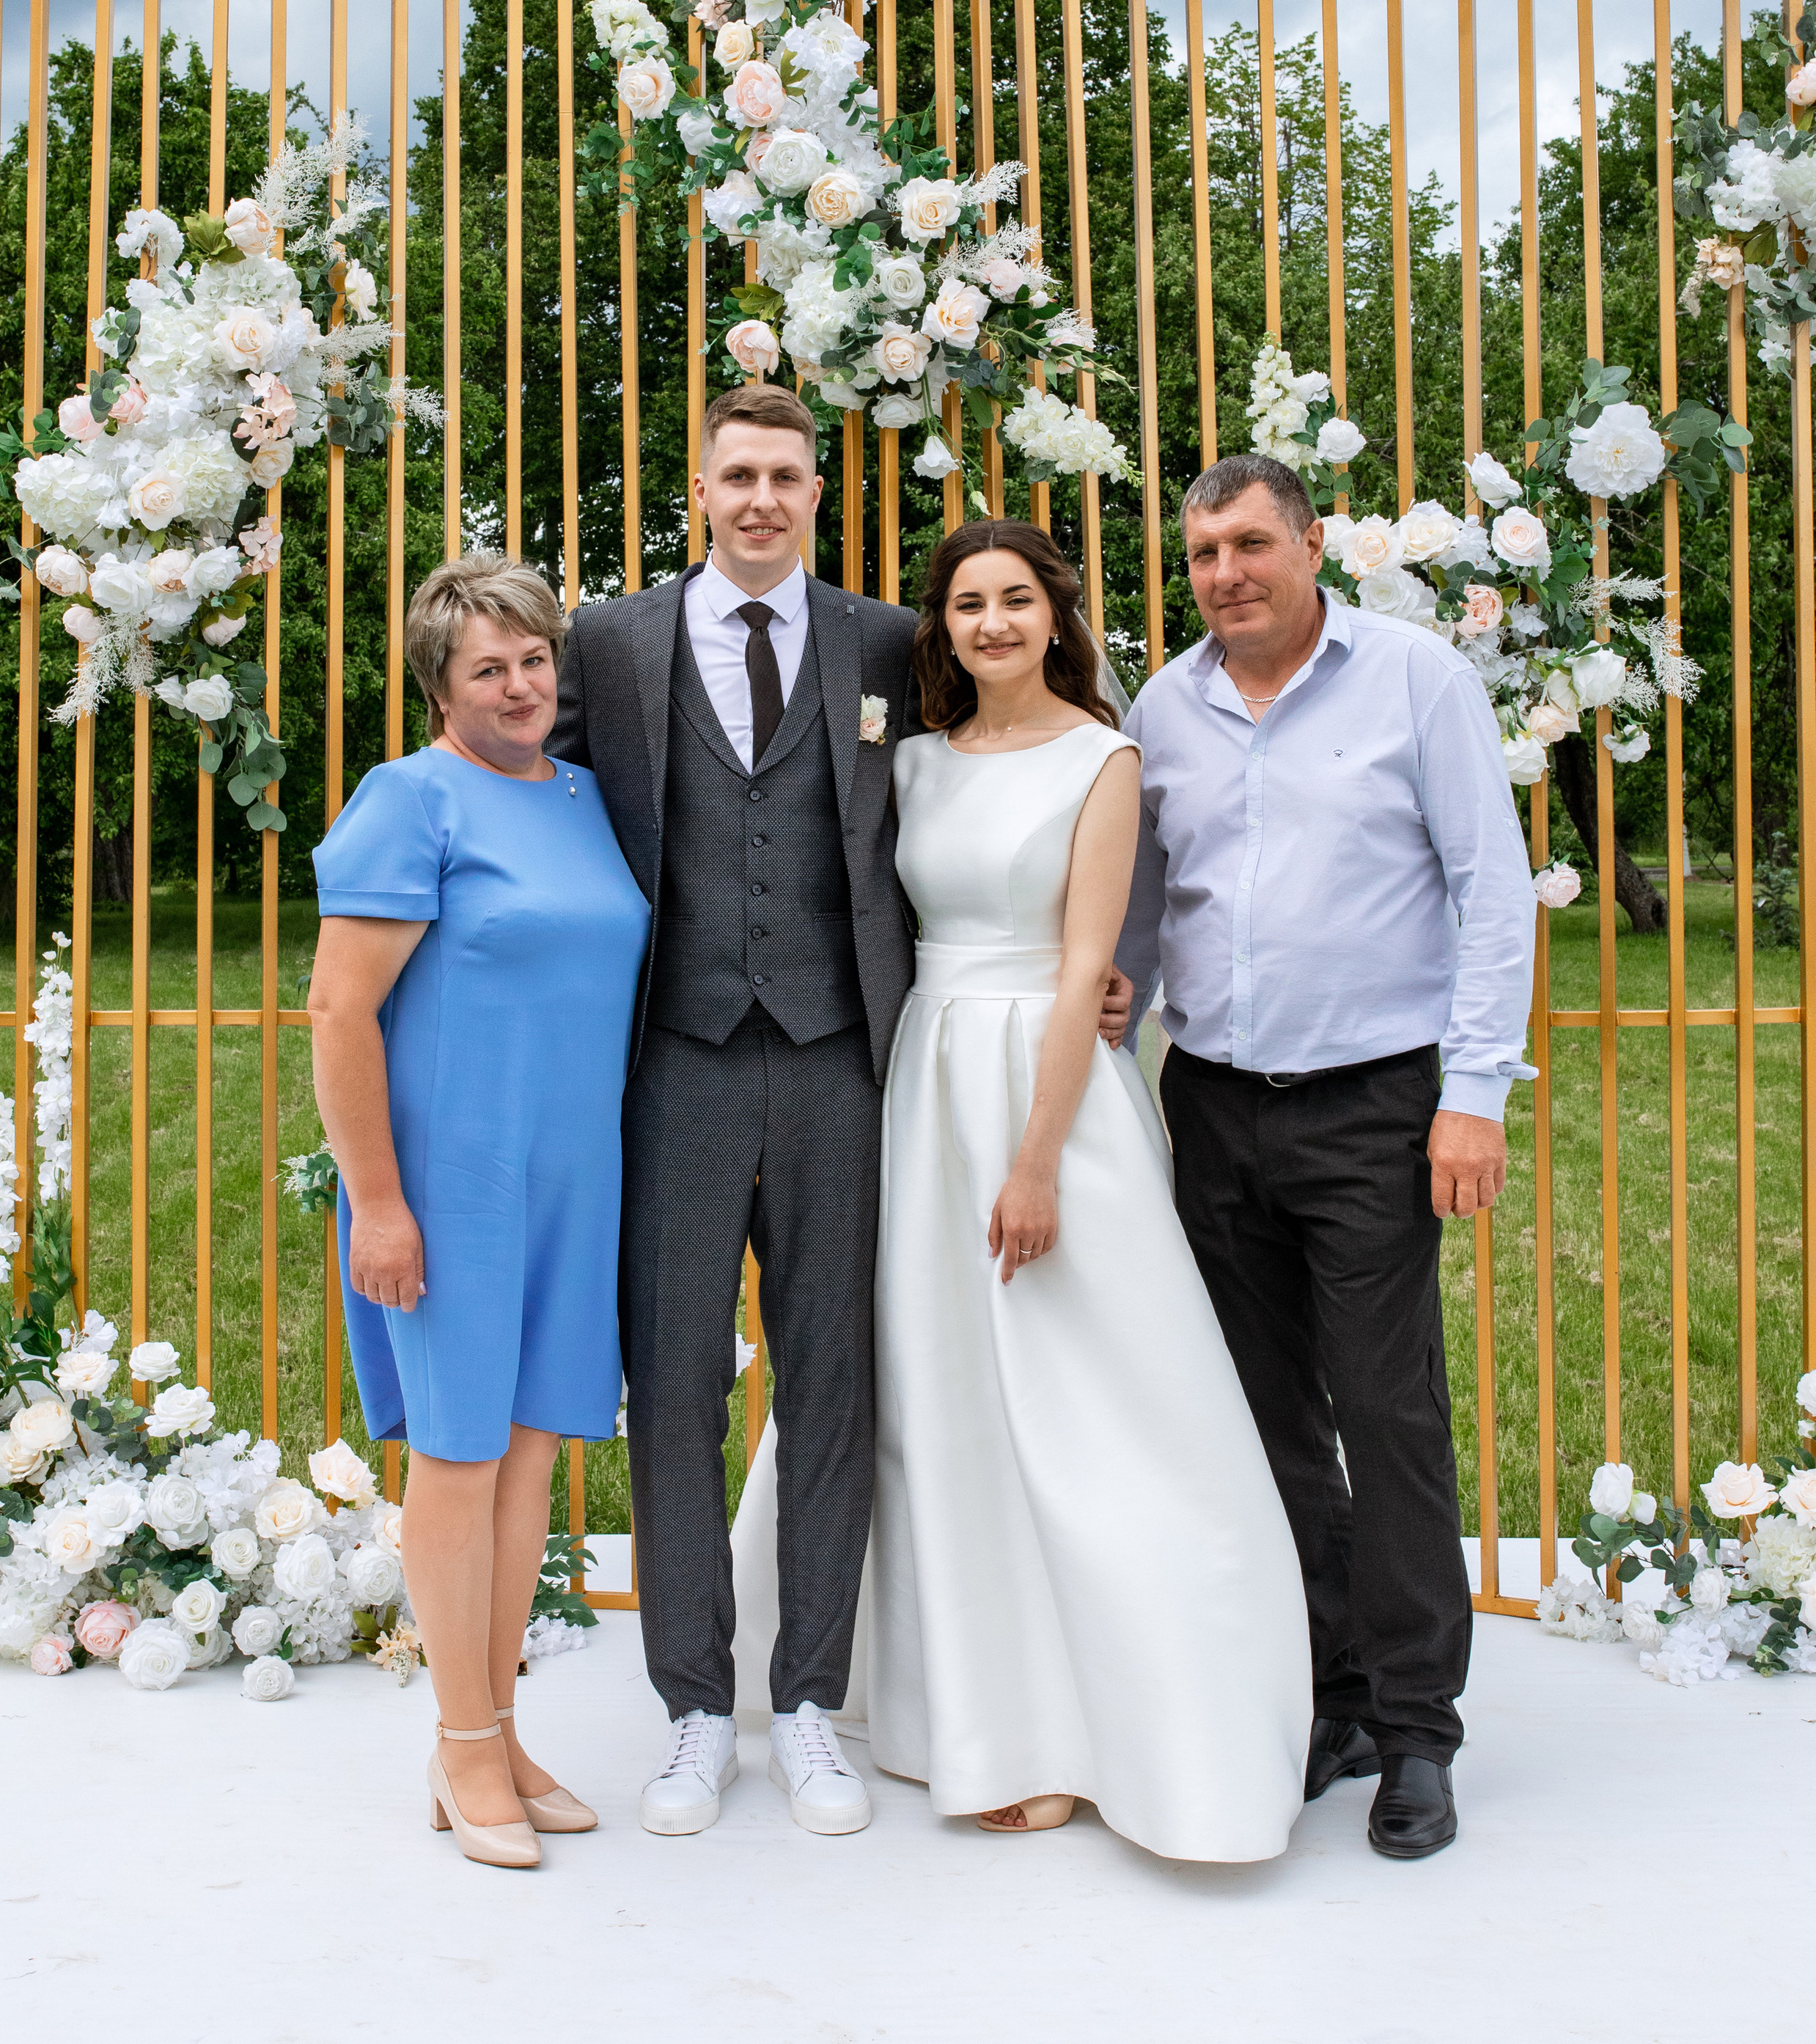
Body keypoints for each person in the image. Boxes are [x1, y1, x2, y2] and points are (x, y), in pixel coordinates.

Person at [790, 518, 1310, 1856]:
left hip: (1048, 1096)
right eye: (968, 605)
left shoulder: (1105, 755)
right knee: (946, 1403)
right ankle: (966, 1712)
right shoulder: (907, 762)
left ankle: (1131, 1722)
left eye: (1017, 600)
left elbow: (1090, 969)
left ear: (1055, 613)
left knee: (1095, 1406)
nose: (993, 624)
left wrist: (1036, 1160)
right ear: (942, 630)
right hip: (927, 1084)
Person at [1111, 457, 1537, 1861]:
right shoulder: (1164, 708)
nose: (1223, 573)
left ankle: (1421, 1731)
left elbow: (1491, 891)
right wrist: (1123, 990)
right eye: (1200, 554)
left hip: (1373, 1106)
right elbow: (1157, 898)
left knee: (1390, 1412)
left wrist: (1472, 1094)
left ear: (1309, 547)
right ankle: (1335, 1694)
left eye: (1248, 544)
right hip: (1216, 1104)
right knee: (1269, 1418)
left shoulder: (1414, 681)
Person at [545, 383, 919, 1837]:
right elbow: (547, 806)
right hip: (679, 1062)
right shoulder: (611, 643)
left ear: (815, 492)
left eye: (784, 476)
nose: (759, 498)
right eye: (735, 475)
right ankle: (695, 1707)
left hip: (838, 1061)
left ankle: (811, 1701)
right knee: (678, 1383)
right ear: (698, 488)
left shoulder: (879, 640)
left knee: (835, 1379)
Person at [309, 554, 649, 1870]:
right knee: (456, 1458)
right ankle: (458, 1749)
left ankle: (501, 1727)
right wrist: (379, 1206)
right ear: (440, 688)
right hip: (451, 1179)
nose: (518, 686)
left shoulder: (581, 797)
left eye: (533, 660)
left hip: (576, 1173)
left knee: (528, 1462)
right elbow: (341, 1012)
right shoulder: (409, 799)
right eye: (485, 670)